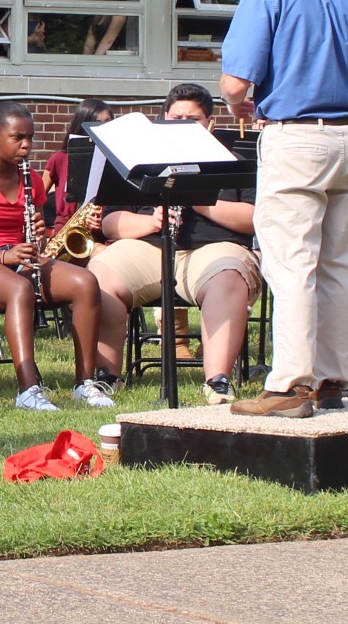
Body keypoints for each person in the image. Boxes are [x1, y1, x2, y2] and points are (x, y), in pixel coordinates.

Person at [217, 0, 348, 417]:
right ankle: (332, 378)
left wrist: (238, 104)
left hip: (294, 137)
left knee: (291, 265)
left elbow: (234, 83)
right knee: (339, 263)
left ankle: (291, 385)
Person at [0, 99, 123, 411]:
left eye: (30, 138)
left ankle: (85, 383)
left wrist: (40, 236)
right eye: (18, 138)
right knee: (19, 288)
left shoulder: (32, 179)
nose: (26, 145)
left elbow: (36, 238)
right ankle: (28, 391)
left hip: (20, 259)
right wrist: (3, 257)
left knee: (85, 282)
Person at [86, 84, 262, 405]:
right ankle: (106, 376)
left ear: (209, 122)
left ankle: (217, 381)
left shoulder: (232, 160)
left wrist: (196, 199)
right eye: (175, 117)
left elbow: (254, 218)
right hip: (151, 248)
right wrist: (148, 223)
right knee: (99, 275)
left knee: (228, 277)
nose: (182, 123)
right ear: (163, 117)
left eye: (192, 119)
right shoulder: (141, 161)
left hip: (215, 248)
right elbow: (111, 220)